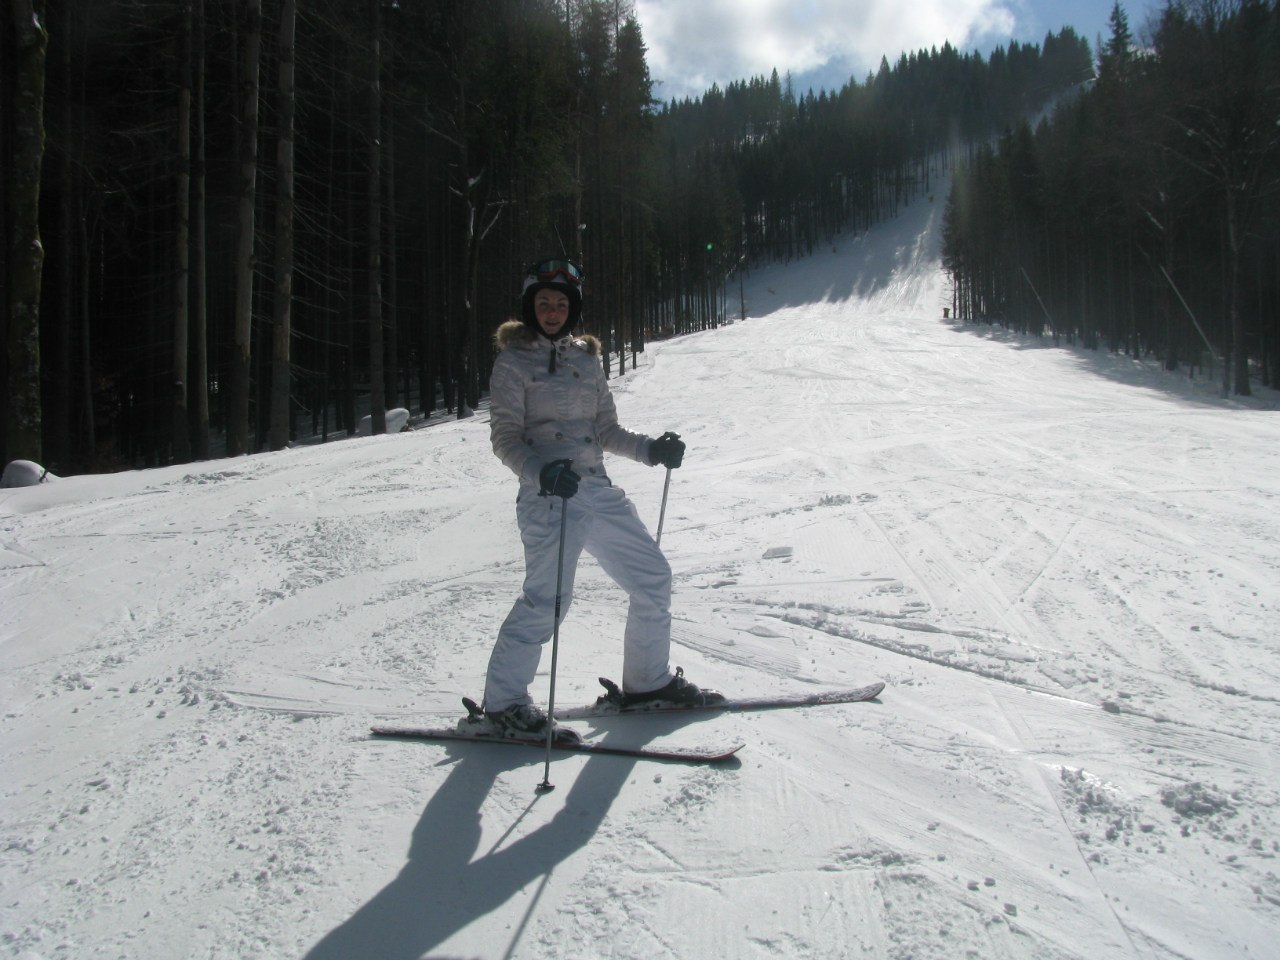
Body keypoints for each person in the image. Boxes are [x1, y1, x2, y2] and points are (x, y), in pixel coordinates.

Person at [482, 257, 723, 735]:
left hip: (595, 487)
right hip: (550, 495)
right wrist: (542, 472)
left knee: (652, 577)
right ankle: (504, 704)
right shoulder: (513, 362)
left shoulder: (586, 359)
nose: (552, 312)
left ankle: (647, 683)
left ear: (572, 309)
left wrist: (651, 449)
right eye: (543, 303)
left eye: (560, 304)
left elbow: (606, 430)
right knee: (547, 600)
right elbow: (505, 438)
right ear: (530, 308)